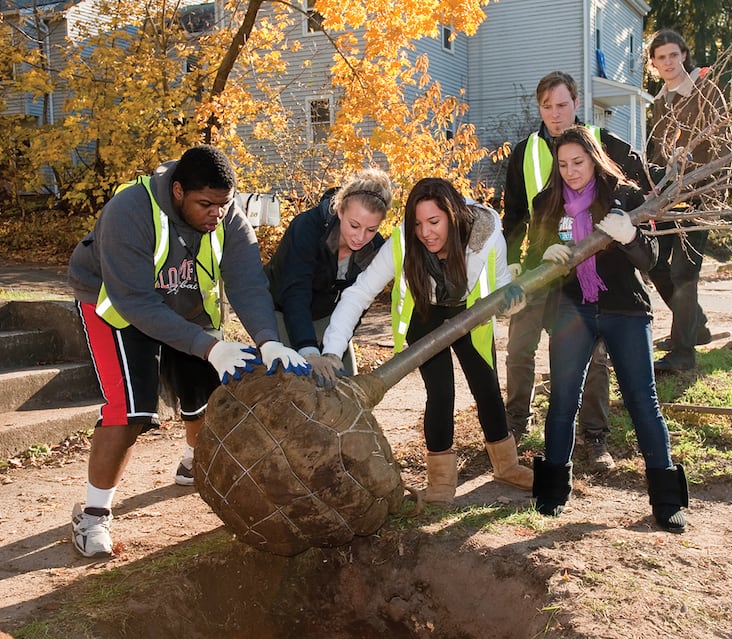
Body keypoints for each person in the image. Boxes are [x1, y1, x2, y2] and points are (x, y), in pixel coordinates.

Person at [67, 145, 308, 557]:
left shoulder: (227, 214)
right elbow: (136, 302)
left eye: (223, 204)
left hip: (184, 301)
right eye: (206, 204)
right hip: (116, 305)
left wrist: (268, 340)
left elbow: (248, 282)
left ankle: (191, 462)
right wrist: (208, 347)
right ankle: (92, 516)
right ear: (178, 192)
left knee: (207, 396)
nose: (217, 213)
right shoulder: (130, 211)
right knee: (129, 411)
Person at [321, 177, 532, 504]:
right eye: (418, 223)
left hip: (469, 312)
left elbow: (503, 283)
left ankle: (507, 466)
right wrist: (333, 352)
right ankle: (441, 484)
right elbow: (359, 293)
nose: (425, 232)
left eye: (434, 222)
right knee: (441, 390)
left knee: (487, 386)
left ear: (452, 215)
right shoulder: (403, 241)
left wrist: (513, 299)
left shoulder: (487, 233)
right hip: (424, 314)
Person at [525, 125, 689, 532]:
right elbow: (531, 262)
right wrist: (545, 257)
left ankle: (667, 500)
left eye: (578, 162)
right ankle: (551, 494)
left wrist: (630, 235)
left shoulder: (625, 196)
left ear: (594, 157)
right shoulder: (546, 202)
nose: (570, 171)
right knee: (563, 400)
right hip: (571, 310)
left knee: (642, 401)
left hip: (623, 310)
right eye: (562, 164)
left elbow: (650, 259)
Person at [502, 71, 653, 471]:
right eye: (547, 106)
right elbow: (514, 213)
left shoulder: (603, 144)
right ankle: (514, 422)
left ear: (576, 103)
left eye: (563, 104)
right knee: (519, 346)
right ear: (539, 109)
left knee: (593, 355)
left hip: (589, 272)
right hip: (541, 265)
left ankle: (594, 435)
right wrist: (513, 260)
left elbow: (635, 184)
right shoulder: (526, 151)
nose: (555, 113)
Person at [265, 168, 393, 388]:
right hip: (282, 309)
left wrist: (333, 349)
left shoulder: (375, 248)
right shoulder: (307, 227)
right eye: (354, 225)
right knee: (295, 386)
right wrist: (308, 349)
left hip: (328, 315)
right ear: (340, 211)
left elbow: (357, 304)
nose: (360, 237)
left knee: (344, 384)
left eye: (371, 229)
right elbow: (296, 291)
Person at [646, 28, 727, 372]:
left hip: (700, 195)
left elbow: (724, 144)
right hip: (668, 198)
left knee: (683, 270)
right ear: (653, 63)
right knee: (653, 262)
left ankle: (683, 353)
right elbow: (655, 152)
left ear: (684, 56)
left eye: (673, 55)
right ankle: (696, 328)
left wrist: (708, 189)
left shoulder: (706, 92)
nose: (668, 62)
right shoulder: (660, 102)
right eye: (661, 57)